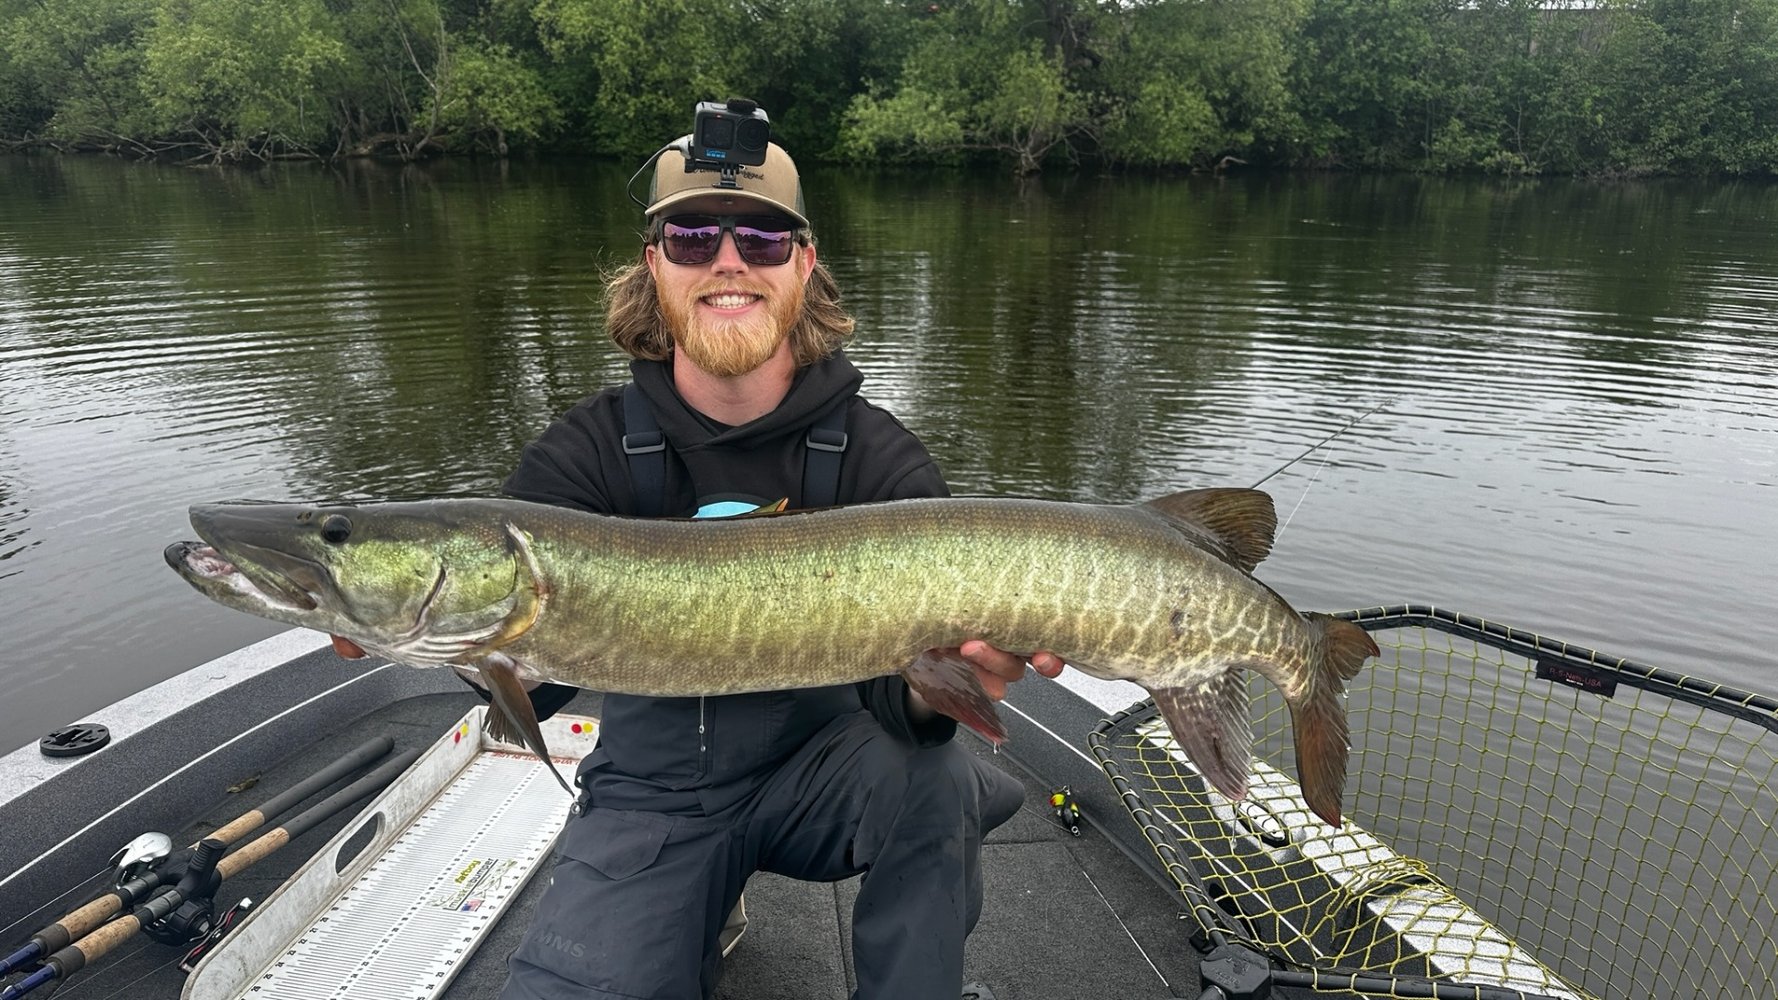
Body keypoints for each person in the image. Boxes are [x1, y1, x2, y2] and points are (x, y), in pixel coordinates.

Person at [476, 136, 1062, 1000]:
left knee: (936, 778)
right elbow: (538, 689)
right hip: (653, 795)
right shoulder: (581, 459)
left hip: (827, 770)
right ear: (653, 263)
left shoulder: (880, 465)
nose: (726, 263)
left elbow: (902, 712)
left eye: (760, 240)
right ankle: (692, 902)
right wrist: (411, 625)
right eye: (691, 238)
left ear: (803, 262)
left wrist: (950, 682)